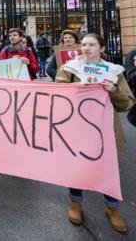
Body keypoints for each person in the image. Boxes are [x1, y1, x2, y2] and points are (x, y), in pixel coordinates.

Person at [55, 33, 135, 233]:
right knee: (77, 166)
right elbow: (56, 92)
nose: (86, 48)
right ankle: (76, 203)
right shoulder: (69, 68)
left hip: (105, 127)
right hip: (77, 127)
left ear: (102, 48)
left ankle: (112, 208)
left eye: (91, 44)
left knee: (108, 169)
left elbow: (127, 102)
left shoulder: (114, 71)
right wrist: (76, 87)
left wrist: (113, 89)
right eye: (83, 44)